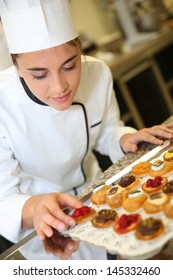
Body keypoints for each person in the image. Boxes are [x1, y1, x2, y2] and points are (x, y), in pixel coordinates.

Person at [0, 0, 173, 260]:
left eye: (70, 66)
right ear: (17, 68)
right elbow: (3, 199)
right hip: (47, 234)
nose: (60, 87)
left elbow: (105, 131)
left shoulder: (97, 73)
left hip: (100, 200)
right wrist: (34, 207)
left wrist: (123, 137)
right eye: (39, 75)